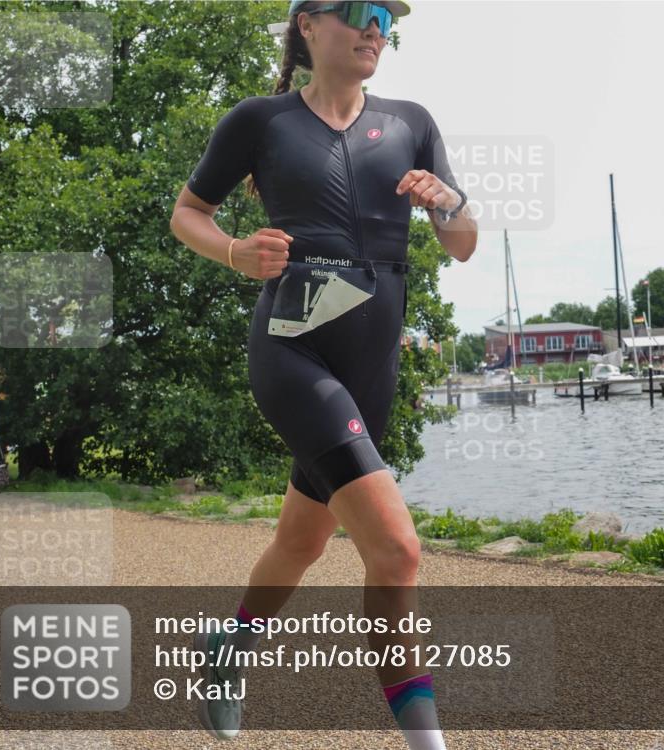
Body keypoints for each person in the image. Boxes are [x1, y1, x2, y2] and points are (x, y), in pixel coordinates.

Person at [169, 1, 477, 747]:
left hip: (370, 368)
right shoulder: (261, 121)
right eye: (356, 10)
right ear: (308, 24)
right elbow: (187, 212)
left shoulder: (412, 122)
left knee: (303, 542)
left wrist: (450, 203)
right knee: (398, 551)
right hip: (292, 349)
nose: (374, 26)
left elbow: (463, 245)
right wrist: (236, 251)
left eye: (384, 15)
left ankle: (229, 647)